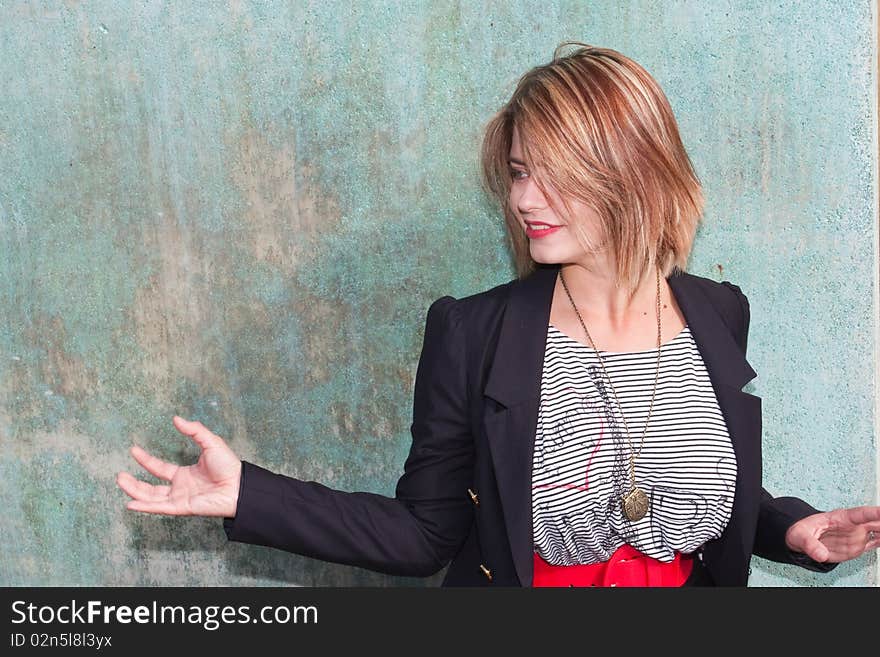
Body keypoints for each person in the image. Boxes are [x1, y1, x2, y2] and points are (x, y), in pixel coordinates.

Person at [116, 42, 880, 587]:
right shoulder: (472, 332)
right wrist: (251, 493)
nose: (522, 199)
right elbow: (425, 534)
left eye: (553, 176)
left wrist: (790, 527)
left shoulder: (719, 311)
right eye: (518, 173)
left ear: (634, 174)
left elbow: (687, 473)